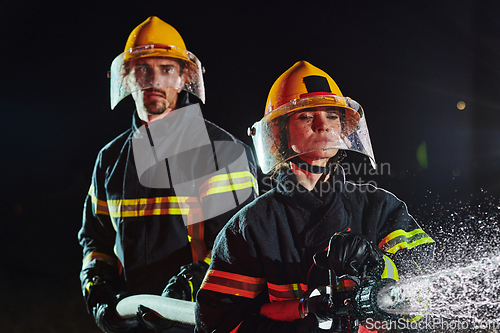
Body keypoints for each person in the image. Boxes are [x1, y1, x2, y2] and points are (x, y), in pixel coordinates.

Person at [195, 61, 435, 332]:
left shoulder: (380, 209)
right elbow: (219, 324)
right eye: (306, 116)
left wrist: (378, 265)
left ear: (344, 128)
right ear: (278, 133)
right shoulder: (251, 226)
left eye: (332, 116)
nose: (323, 125)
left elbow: (424, 295)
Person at [78, 16, 258, 333]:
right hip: (131, 319)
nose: (154, 80)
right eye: (143, 69)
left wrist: (188, 287)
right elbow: (96, 240)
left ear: (184, 77)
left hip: (199, 318)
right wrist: (99, 290)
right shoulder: (110, 159)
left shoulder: (222, 153)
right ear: (126, 77)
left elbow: (242, 247)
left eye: (167, 69)